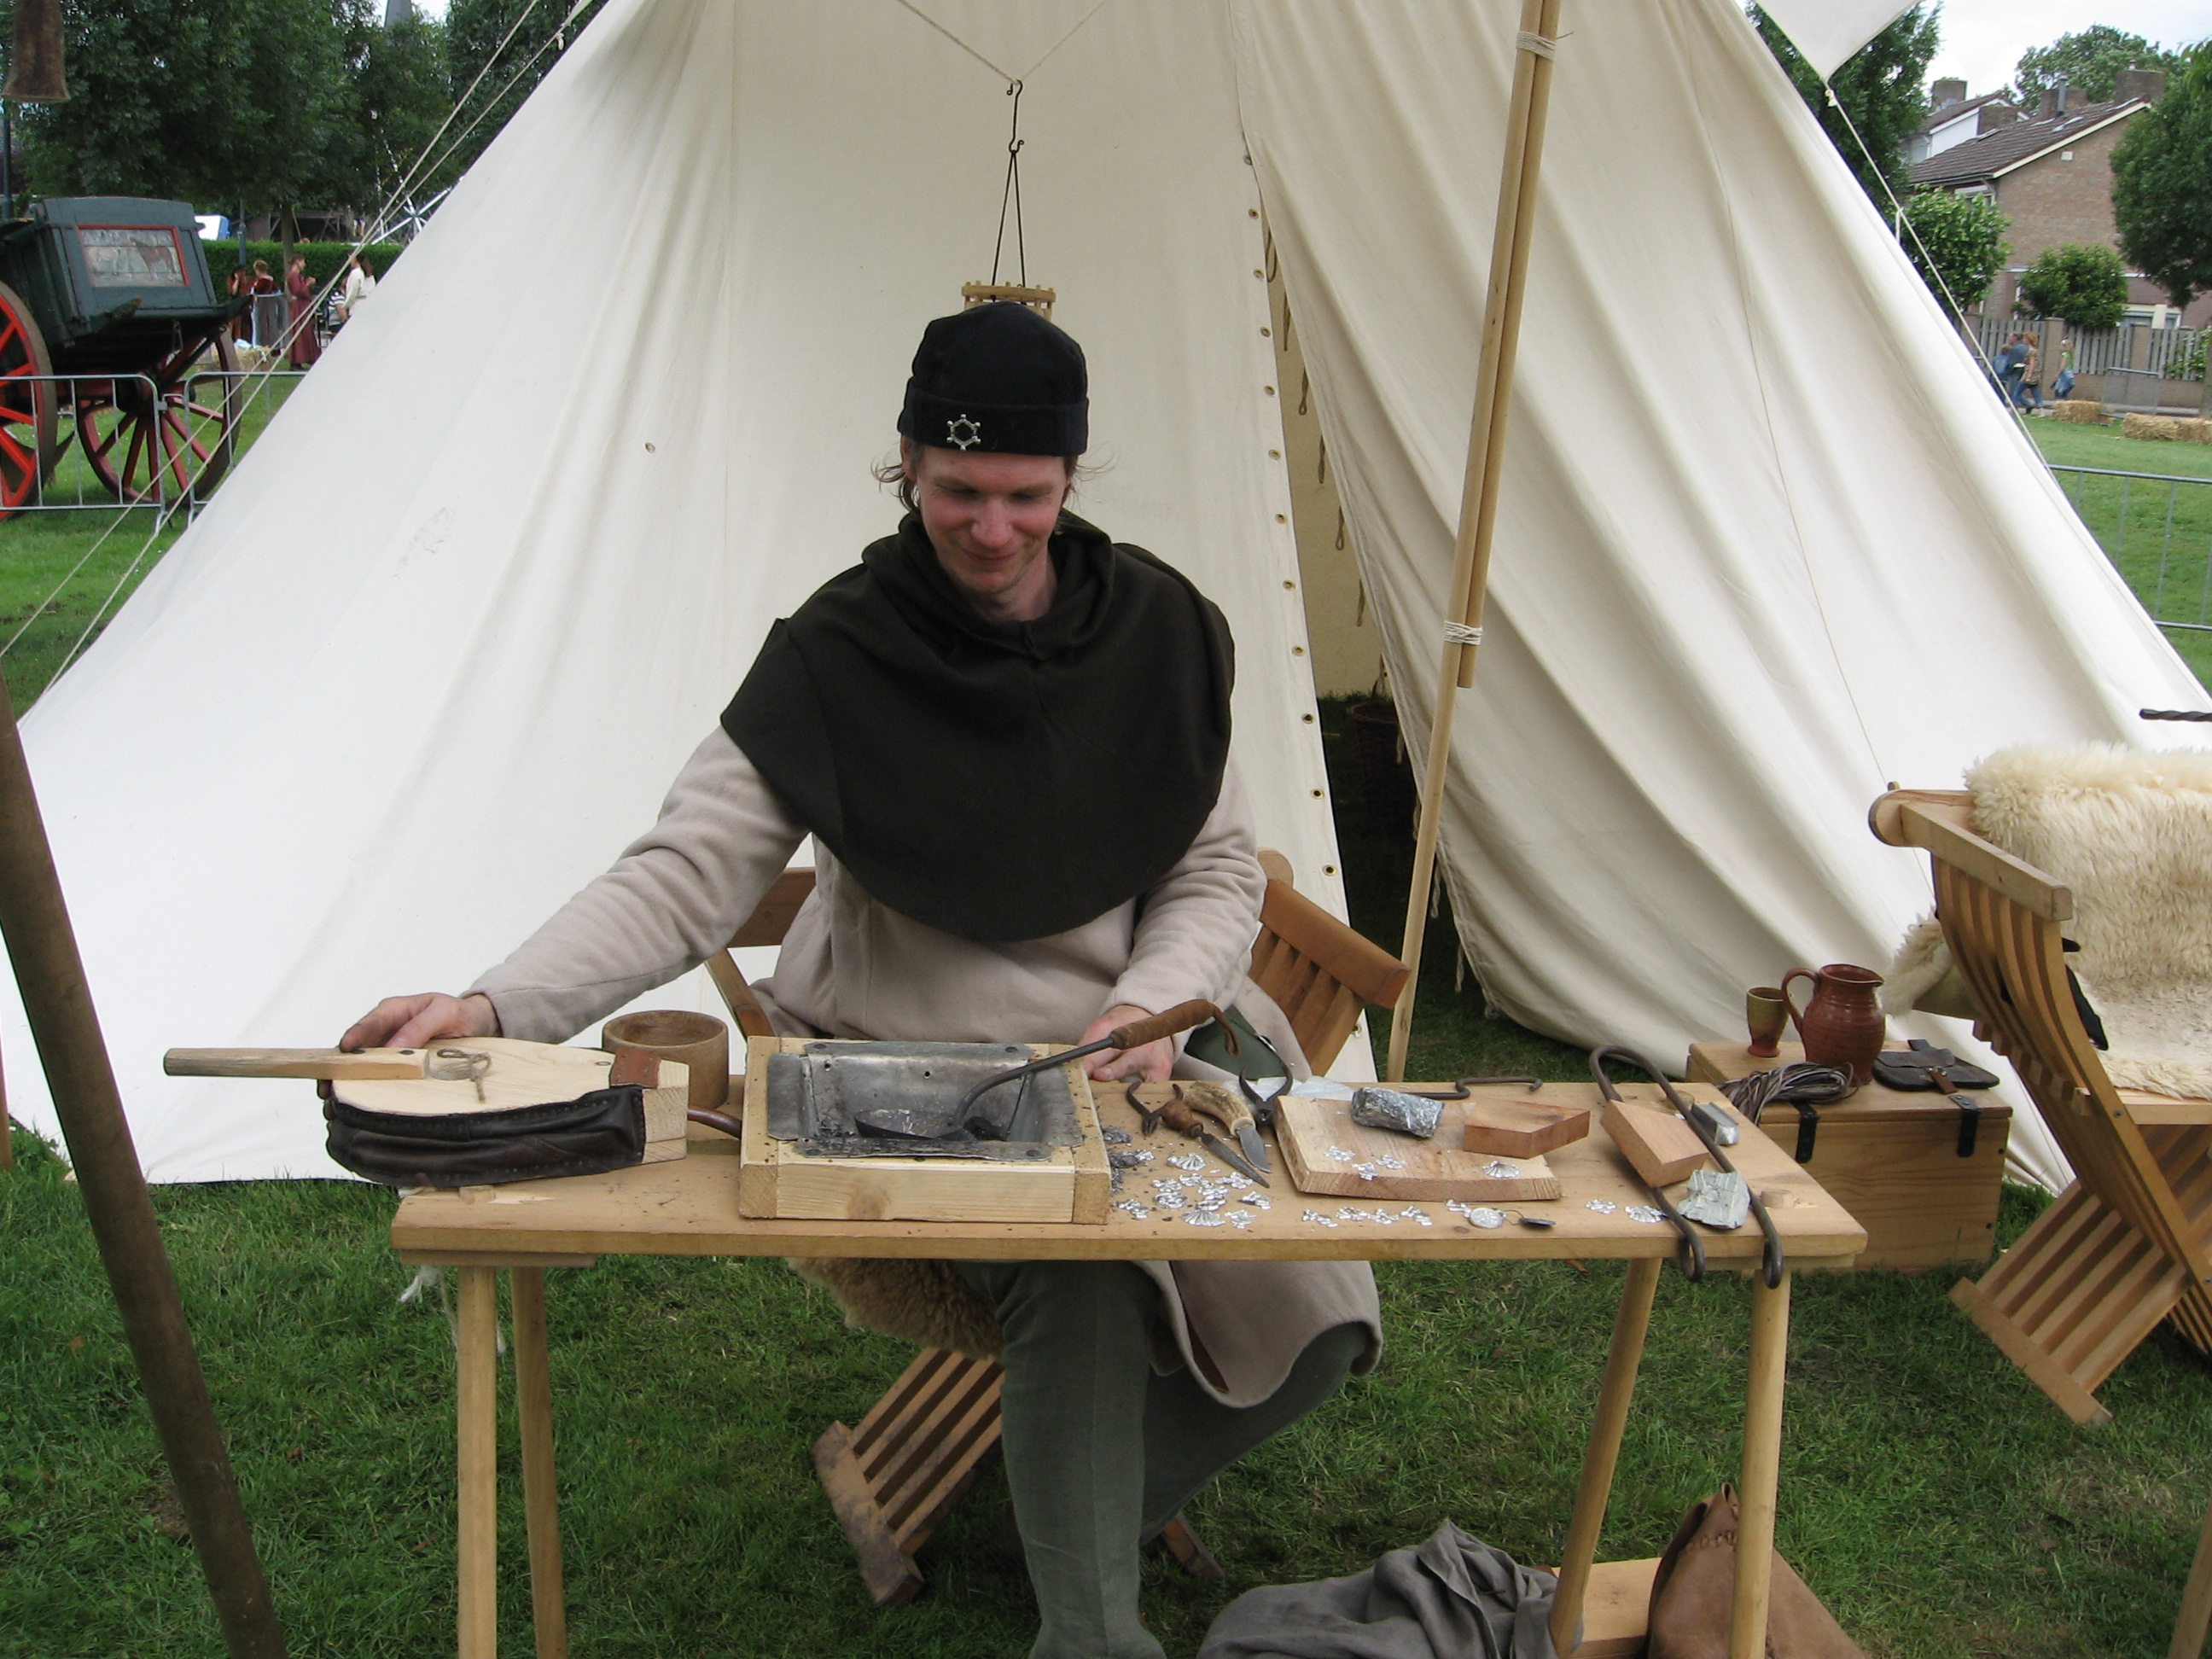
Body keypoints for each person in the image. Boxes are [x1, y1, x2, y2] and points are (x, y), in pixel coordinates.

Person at [341, 301, 1381, 1659]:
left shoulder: (1161, 636)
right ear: (905, 467)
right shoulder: (838, 652)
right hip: (915, 1070)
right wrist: (492, 1009)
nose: (992, 529)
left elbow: (1213, 871)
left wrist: (1151, 1005)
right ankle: (1092, 1630)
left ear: (1070, 482)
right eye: (958, 491)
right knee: (1079, 1274)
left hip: (1137, 1046)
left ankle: (1074, 1497)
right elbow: (685, 873)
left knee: (1326, 1320)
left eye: (1024, 494)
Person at [284, 254, 322, 368]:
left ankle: (306, 357)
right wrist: (307, 284)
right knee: (300, 331)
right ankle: (298, 360)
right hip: (299, 306)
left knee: (304, 331)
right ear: (297, 262)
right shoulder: (293, 275)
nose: (304, 265)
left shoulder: (296, 276)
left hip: (302, 306)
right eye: (303, 262)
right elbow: (298, 291)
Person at [337, 250, 376, 325]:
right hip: (368, 308)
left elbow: (352, 294)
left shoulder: (355, 273)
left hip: (357, 308)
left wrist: (345, 306)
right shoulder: (370, 275)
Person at [2018, 333, 2044, 412]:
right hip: (2035, 374)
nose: (2023, 340)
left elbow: (2032, 364)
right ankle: (2041, 411)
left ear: (2028, 340)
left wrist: (2029, 376)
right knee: (2036, 393)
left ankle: (2015, 408)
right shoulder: (2034, 350)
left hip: (2029, 373)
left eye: (2025, 338)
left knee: (2016, 392)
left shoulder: (2031, 351)